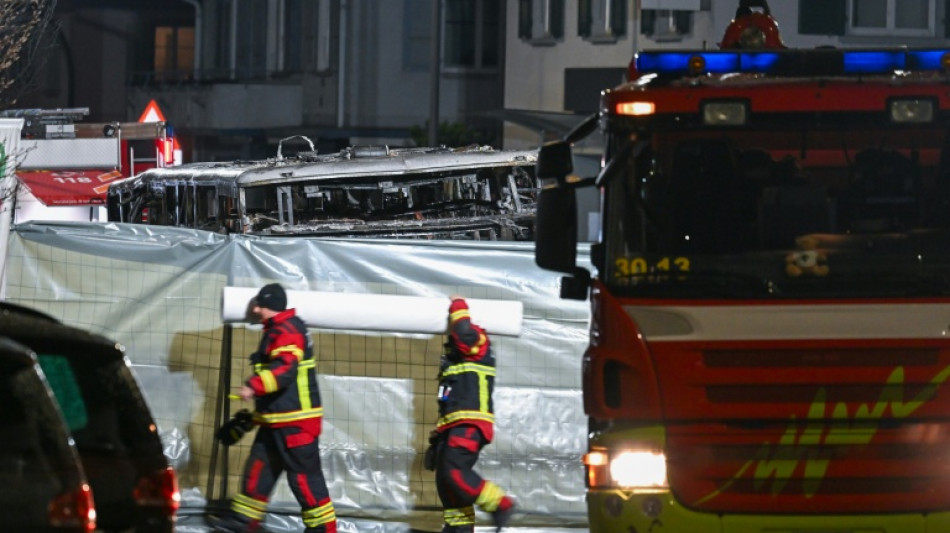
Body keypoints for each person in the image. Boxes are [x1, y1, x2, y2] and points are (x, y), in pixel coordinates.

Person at [211, 283, 336, 533]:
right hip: (277, 421)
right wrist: (256, 417)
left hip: (296, 422)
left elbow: (285, 369)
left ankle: (322, 528)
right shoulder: (278, 329)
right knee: (258, 470)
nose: (255, 310)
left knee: (303, 478)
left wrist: (253, 387)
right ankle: (244, 521)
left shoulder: (288, 329)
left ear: (270, 306)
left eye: (259, 305)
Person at [427, 295, 515, 532]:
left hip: (470, 424)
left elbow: (464, 332)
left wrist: (458, 305)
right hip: (454, 426)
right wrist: (438, 442)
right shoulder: (453, 362)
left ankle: (500, 504)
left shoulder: (478, 341)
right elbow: (447, 402)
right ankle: (459, 529)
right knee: (447, 482)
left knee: (454, 473)